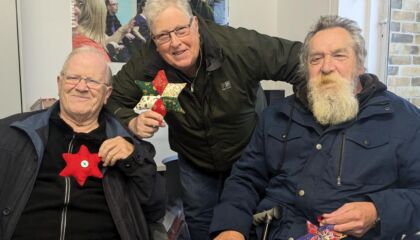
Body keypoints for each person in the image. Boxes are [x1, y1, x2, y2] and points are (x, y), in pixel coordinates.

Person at [210, 15, 420, 240]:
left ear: (360, 65)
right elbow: (245, 178)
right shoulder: (276, 115)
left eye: (339, 55)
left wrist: (377, 211)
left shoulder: (402, 119)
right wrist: (230, 228)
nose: (326, 67)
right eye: (316, 59)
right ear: (306, 68)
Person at [105, 0, 302, 239]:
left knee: (249, 226)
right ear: (154, 41)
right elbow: (113, 98)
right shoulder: (147, 60)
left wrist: (290, 126)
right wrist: (131, 122)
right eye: (164, 36)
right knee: (201, 227)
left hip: (246, 157)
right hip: (194, 160)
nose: (175, 43)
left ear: (195, 24)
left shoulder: (238, 46)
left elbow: (299, 60)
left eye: (181, 30)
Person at [0, 47, 166, 240]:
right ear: (59, 83)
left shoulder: (128, 144)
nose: (81, 87)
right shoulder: (12, 133)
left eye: (92, 81)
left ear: (107, 94)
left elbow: (156, 209)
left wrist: (133, 161)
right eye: (72, 78)